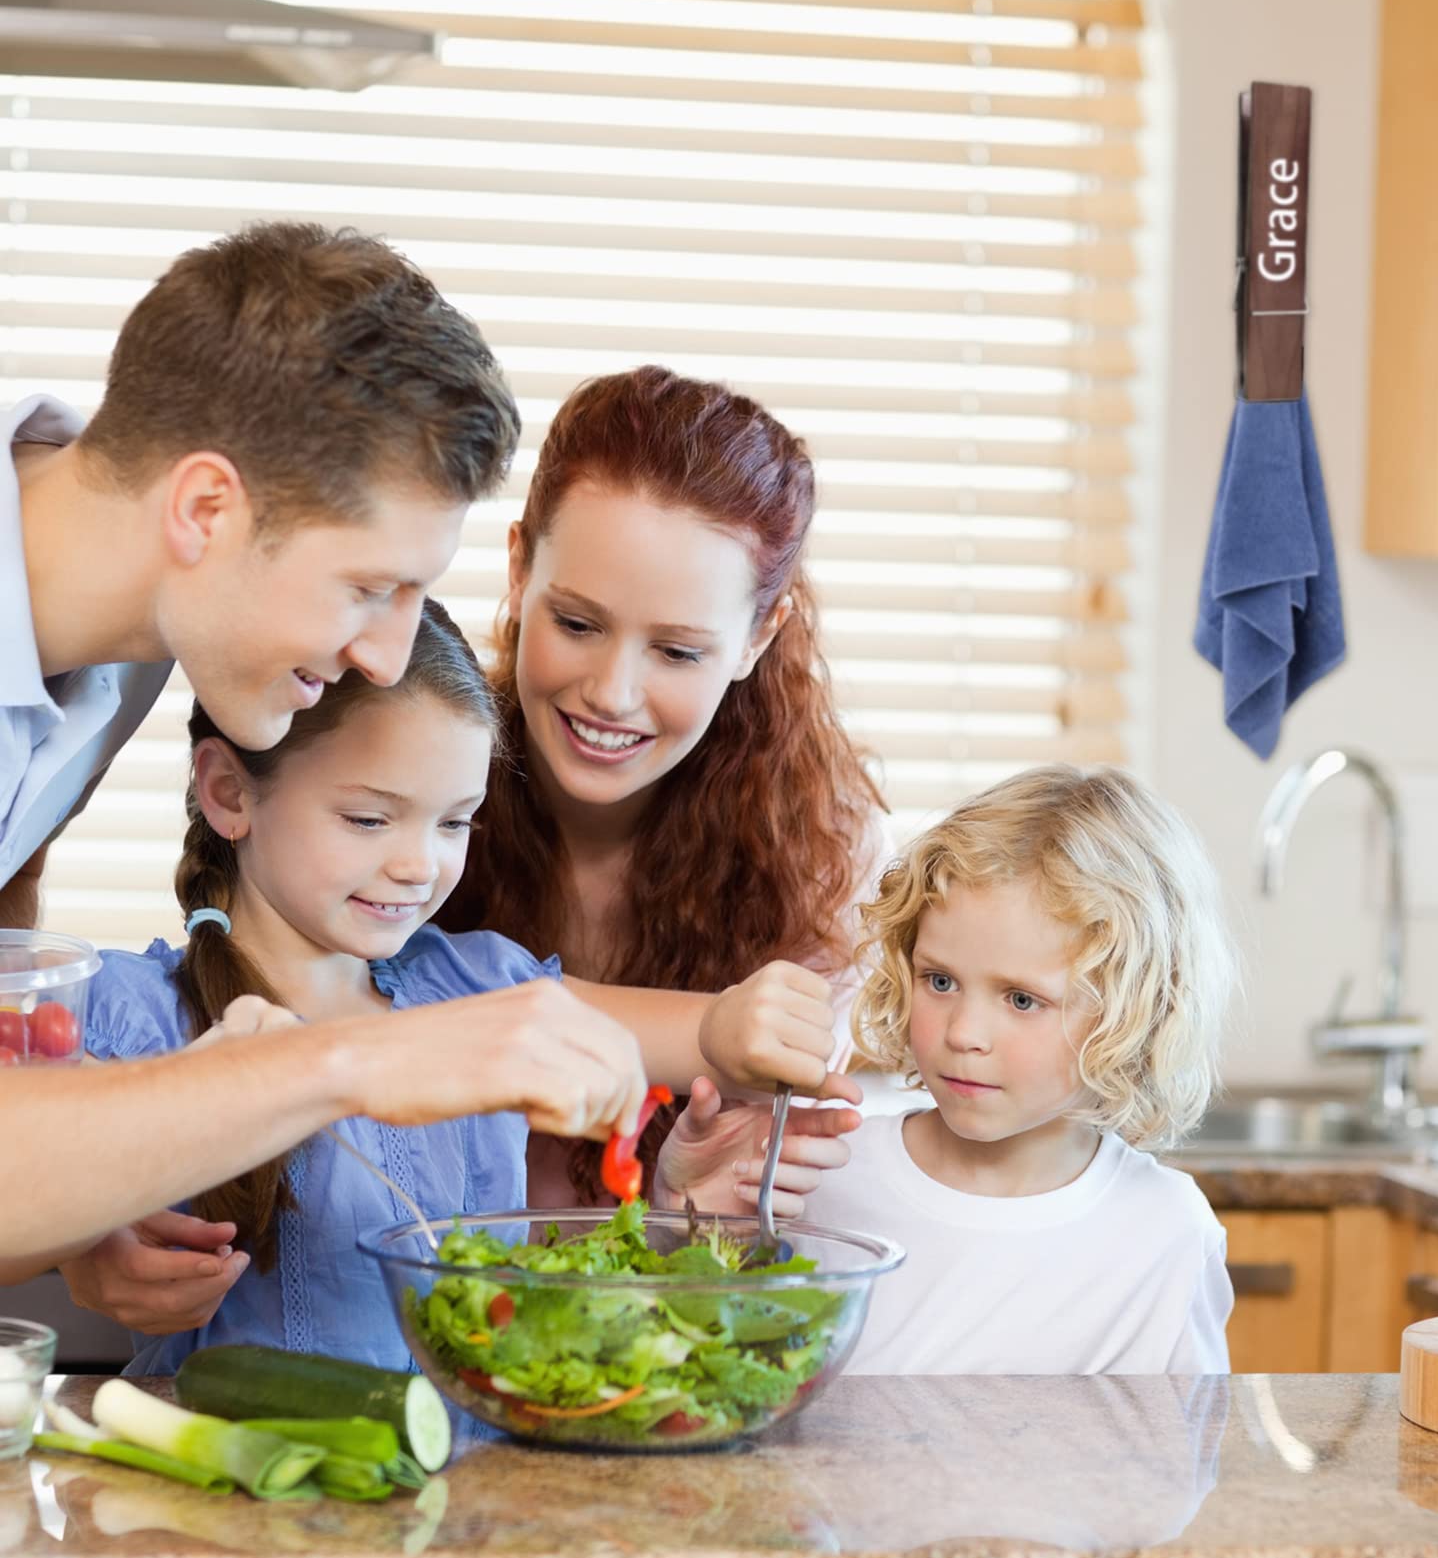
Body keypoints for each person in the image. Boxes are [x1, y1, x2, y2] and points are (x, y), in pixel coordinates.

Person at [0, 220, 626, 1276]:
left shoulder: (142, 628)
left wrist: (80, 1212)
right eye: (369, 589)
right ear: (206, 507)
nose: (388, 657)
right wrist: (346, 1056)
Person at [65, 601, 846, 1366]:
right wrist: (87, 1241)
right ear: (230, 793)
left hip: (480, 1479)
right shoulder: (130, 1014)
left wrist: (743, 1028)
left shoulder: (477, 985)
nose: (420, 866)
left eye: (454, 823)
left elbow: (700, 1035)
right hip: (235, 1489)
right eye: (371, 819)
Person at [438, 365, 891, 1204]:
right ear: (517, 567)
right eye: (576, 623)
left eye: (678, 651)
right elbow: (367, 1028)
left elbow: (724, 1249)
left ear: (761, 634)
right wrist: (704, 1033)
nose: (611, 692)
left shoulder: (826, 853)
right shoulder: (405, 772)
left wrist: (684, 1219)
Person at [667, 764, 1239, 1375]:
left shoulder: (1166, 1232)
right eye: (939, 981)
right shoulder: (821, 1173)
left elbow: (1181, 1450)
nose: (963, 1033)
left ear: (1135, 1009)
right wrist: (679, 1224)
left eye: (1022, 1000)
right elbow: (699, 1368)